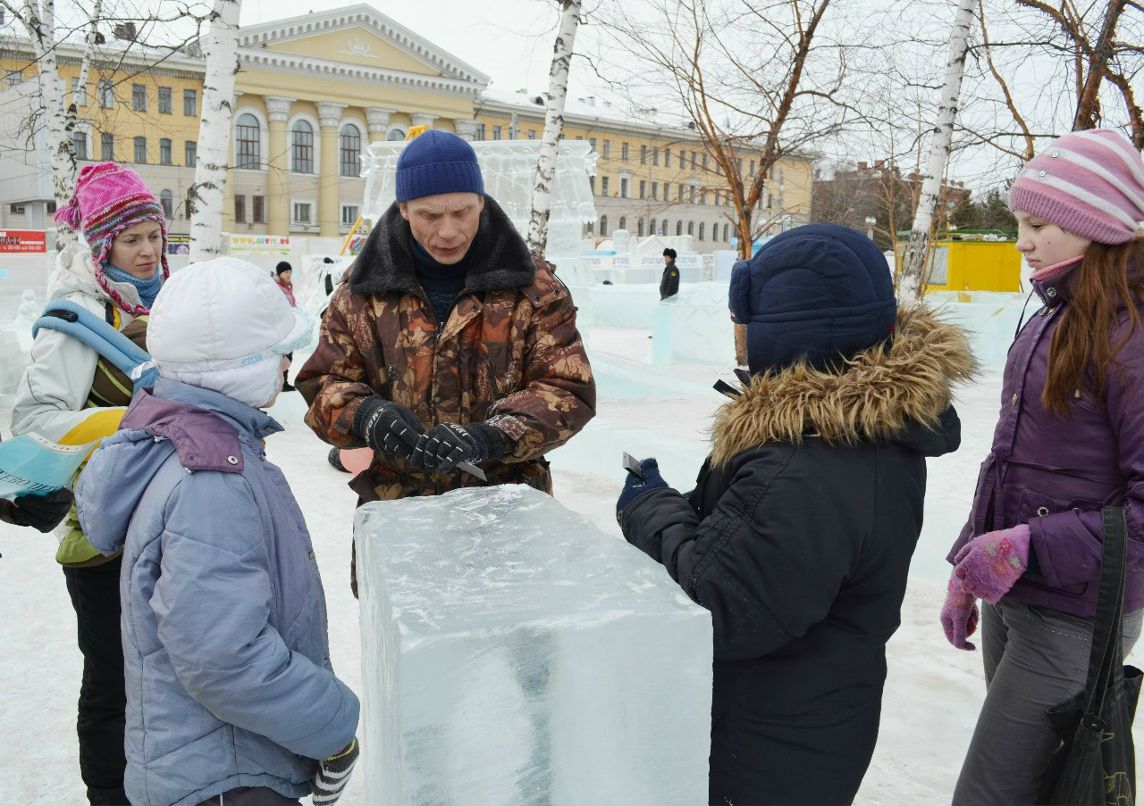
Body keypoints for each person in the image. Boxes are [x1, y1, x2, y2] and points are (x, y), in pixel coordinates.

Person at [616, 223, 972, 806]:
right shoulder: (860, 431)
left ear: (789, 331)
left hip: (765, 748)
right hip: (812, 724)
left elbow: (724, 605)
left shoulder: (805, 463)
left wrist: (646, 505)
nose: (739, 337)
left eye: (746, 321)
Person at [74, 257, 360, 806]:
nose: (287, 366)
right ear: (241, 367)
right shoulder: (210, 481)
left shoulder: (190, 448)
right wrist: (333, 728)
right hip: (228, 778)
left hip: (218, 763)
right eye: (280, 353)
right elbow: (223, 657)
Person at [296, 129, 596, 595]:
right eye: (430, 215)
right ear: (403, 210)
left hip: (507, 518)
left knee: (512, 637)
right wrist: (366, 415)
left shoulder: (533, 288)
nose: (449, 231)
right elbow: (324, 382)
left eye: (462, 212)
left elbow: (567, 388)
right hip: (400, 520)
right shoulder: (361, 293)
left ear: (481, 202)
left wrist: (492, 436)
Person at [943, 128, 1144, 806]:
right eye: (1018, 223)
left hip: (1078, 617)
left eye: (1037, 225)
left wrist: (1028, 545)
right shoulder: (1052, 317)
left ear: (1096, 224)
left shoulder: (1132, 335)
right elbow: (1009, 463)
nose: (1021, 242)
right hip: (1019, 598)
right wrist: (969, 564)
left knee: (991, 795)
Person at [11, 161, 169, 806]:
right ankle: (109, 794)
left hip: (175, 524)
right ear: (102, 247)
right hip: (101, 532)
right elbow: (34, 420)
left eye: (155, 236)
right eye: (132, 240)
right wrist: (129, 426)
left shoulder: (171, 302)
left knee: (175, 670)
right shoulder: (76, 317)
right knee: (114, 676)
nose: (148, 251)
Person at [274, 261, 298, 391]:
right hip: (281, 326)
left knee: (288, 353)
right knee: (283, 354)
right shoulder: (276, 287)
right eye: (286, 272)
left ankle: (283, 382)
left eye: (290, 272)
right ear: (279, 273)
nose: (289, 274)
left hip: (289, 325)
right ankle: (280, 382)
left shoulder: (286, 286)